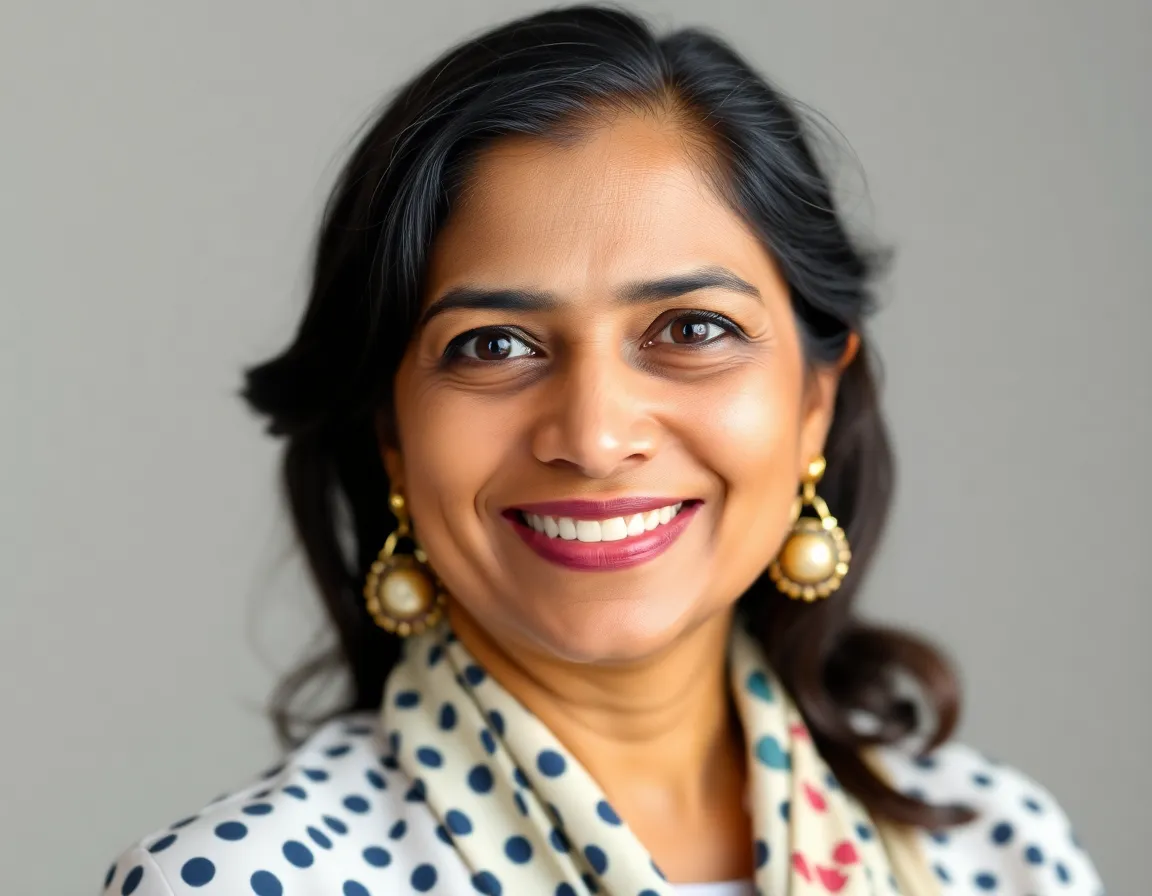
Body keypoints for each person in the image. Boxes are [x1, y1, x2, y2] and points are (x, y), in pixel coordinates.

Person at [100, 6, 1105, 895]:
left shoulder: (999, 854)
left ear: (815, 401)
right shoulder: (243, 882)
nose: (593, 436)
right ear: (392, 435)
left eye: (692, 329)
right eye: (494, 345)